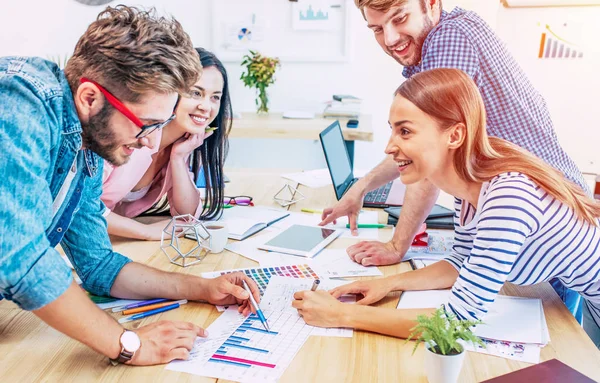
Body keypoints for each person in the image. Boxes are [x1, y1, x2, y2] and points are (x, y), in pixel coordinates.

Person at [0, 6, 260, 366]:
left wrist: (202, 288)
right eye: (146, 125)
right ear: (90, 98)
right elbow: (20, 257)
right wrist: (129, 343)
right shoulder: (19, 98)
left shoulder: (86, 146)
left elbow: (99, 265)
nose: (152, 144)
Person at [319, 0, 588, 320]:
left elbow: (428, 150)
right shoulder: (473, 187)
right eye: (377, 29)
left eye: (399, 18)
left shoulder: (449, 40)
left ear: (431, 4)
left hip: (547, 227)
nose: (389, 39)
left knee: (563, 344)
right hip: (542, 224)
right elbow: (422, 149)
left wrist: (394, 250)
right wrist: (362, 191)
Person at [293, 68, 600, 348]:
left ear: (454, 135)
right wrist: (386, 284)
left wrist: (342, 315)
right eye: (392, 130)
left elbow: (456, 322)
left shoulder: (506, 197)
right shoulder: (468, 187)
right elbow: (461, 260)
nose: (389, 146)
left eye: (405, 131)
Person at [102, 47, 231, 240]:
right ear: (171, 91)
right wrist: (145, 232)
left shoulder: (181, 145)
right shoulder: (128, 136)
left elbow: (186, 217)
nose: (206, 107)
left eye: (215, 97)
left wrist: (178, 158)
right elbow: (80, 207)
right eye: (196, 93)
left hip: (108, 241)